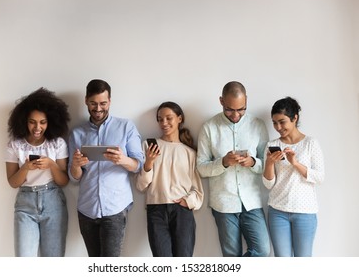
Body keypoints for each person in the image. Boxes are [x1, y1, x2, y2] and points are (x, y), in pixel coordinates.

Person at [68, 79, 144, 257]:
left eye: (103, 103)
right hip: (87, 209)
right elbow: (74, 177)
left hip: (115, 208)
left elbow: (138, 165)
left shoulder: (126, 127)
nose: (98, 108)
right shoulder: (76, 134)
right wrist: (76, 165)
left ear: (110, 101)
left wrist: (122, 160)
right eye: (93, 103)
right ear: (86, 100)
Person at [196, 81, 270, 257]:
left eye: (241, 109)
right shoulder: (209, 128)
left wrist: (253, 162)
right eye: (230, 109)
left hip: (252, 201)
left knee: (263, 251)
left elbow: (267, 165)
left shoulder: (258, 125)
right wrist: (223, 162)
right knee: (231, 256)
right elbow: (201, 168)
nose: (236, 115)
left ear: (246, 101)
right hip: (223, 203)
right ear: (221, 101)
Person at [5, 88, 70, 257]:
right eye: (32, 122)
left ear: (50, 122)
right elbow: (12, 182)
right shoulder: (15, 145)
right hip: (25, 204)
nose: (37, 127)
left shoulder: (58, 143)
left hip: (53, 201)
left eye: (43, 122)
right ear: (24, 121)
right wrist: (25, 167)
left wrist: (51, 165)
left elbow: (64, 181)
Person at [136, 101, 204, 257]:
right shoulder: (149, 145)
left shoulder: (189, 153)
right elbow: (140, 186)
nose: (164, 123)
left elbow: (198, 191)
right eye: (160, 119)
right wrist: (149, 163)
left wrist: (187, 202)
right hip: (156, 210)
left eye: (169, 118)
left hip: (182, 211)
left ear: (179, 119)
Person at [263, 97, 324, 257]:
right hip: (277, 212)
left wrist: (295, 163)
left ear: (294, 117)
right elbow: (268, 185)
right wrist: (269, 163)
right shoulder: (271, 146)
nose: (278, 127)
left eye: (282, 122)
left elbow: (319, 177)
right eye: (274, 123)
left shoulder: (311, 143)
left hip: (305, 212)